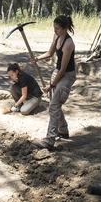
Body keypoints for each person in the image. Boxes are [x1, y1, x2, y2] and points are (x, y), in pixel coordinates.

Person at [30, 15, 76, 149]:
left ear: (65, 28)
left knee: (54, 105)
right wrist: (36, 58)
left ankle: (50, 139)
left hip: (67, 75)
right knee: (54, 103)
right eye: (54, 28)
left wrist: (51, 85)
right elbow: (50, 53)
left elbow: (63, 69)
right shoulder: (57, 37)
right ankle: (63, 130)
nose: (55, 31)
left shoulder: (69, 43)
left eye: (57, 28)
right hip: (58, 71)